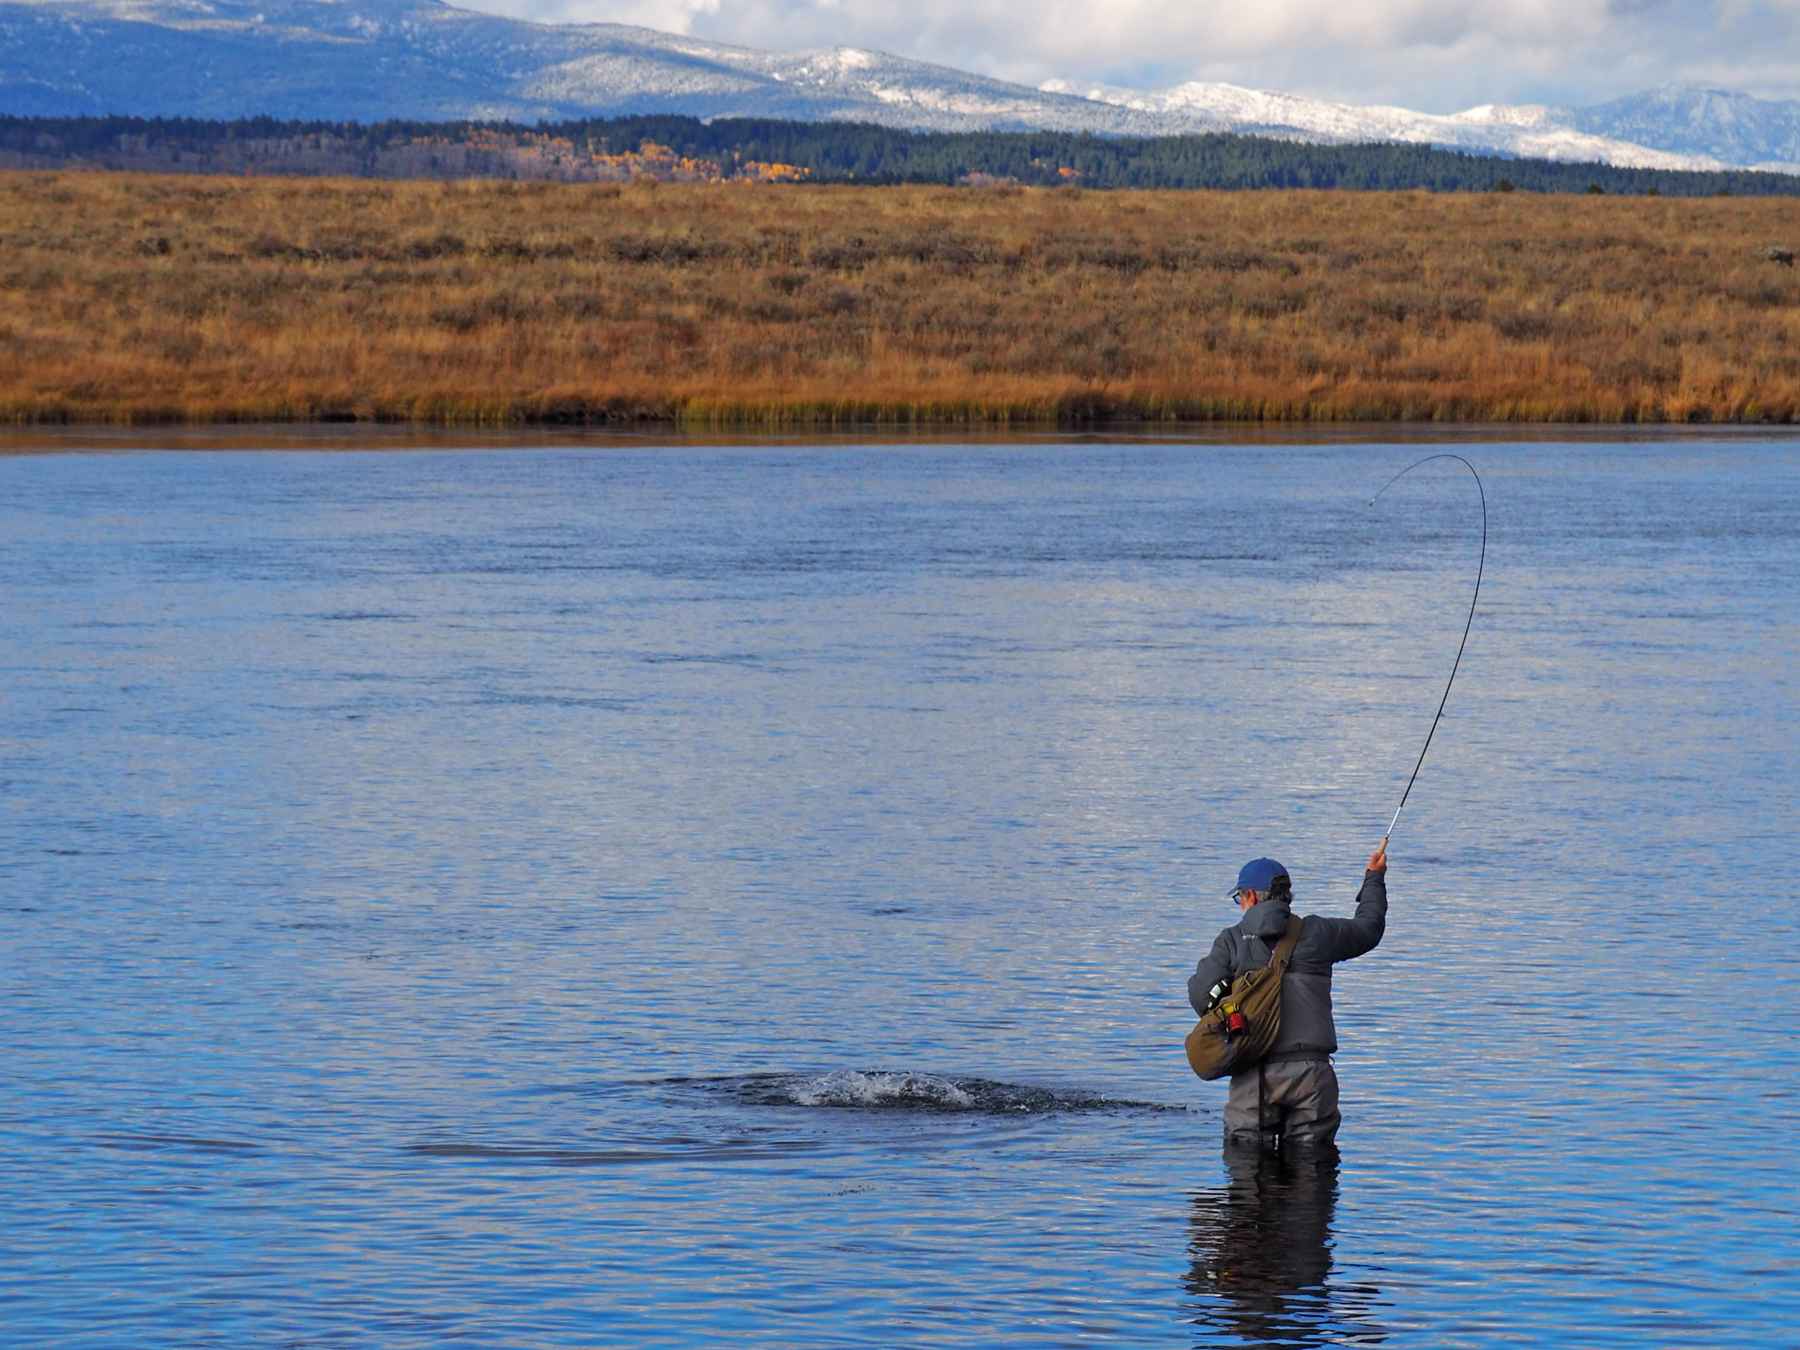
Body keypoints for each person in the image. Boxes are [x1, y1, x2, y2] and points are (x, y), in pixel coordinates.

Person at [1187, 844, 1388, 1151]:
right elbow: (1369, 929)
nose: (1240, 904)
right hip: (1313, 1077)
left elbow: (1201, 997)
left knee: (1247, 1179)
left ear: (1251, 897)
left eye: (1239, 897)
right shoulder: (1318, 933)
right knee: (1313, 1177)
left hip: (1253, 1076)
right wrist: (1373, 878)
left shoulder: (1232, 940)